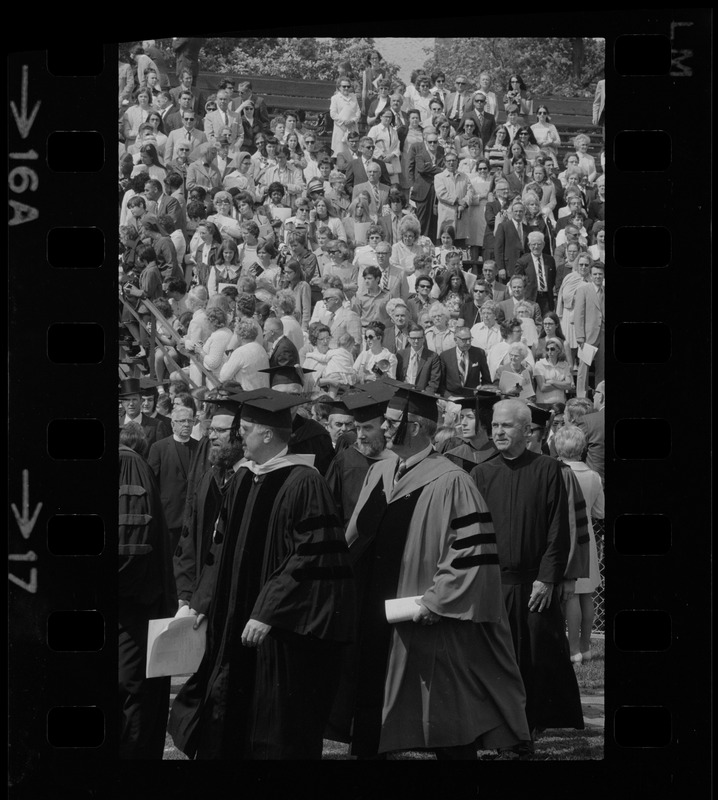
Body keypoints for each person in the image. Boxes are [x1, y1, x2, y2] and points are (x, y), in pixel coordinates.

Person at [330, 381, 531, 759]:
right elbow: (354, 538)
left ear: (418, 426)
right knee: (371, 713)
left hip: (424, 620)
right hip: (373, 618)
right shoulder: (381, 472)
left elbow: (470, 554)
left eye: (392, 421)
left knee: (445, 720)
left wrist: (435, 603)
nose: (384, 427)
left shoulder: (452, 480)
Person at [168, 389, 355, 760]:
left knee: (273, 725)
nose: (240, 437)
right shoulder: (242, 478)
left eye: (247, 429)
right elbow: (218, 545)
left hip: (276, 633)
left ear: (268, 434)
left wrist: (266, 610)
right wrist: (202, 601)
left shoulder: (305, 482)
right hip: (234, 624)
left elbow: (310, 559)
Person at [470, 399, 584, 747]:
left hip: (536, 585)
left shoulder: (550, 470)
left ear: (526, 430)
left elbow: (557, 531)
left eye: (507, 426)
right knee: (494, 660)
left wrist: (548, 578)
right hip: (495, 584)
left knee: (536, 659)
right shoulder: (481, 474)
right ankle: (495, 729)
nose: (499, 432)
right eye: (495, 426)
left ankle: (530, 728)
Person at [119, 426, 176, 759]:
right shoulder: (138, 465)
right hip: (142, 601)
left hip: (130, 604)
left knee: (131, 690)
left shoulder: (129, 465)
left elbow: (130, 541)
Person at [553, 425, 604, 663]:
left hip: (566, 537)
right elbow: (600, 512)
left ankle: (573, 650)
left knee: (571, 596)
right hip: (588, 538)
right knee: (587, 596)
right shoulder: (594, 476)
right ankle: (586, 648)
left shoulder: (556, 471)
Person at [147, 404, 199, 557]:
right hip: (169, 516)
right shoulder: (159, 448)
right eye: (182, 421)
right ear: (172, 423)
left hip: (192, 516)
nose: (187, 424)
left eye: (190, 421)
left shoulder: (200, 447)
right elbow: (152, 483)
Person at [573, 261, 605, 398]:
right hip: (587, 336)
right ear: (591, 276)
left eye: (600, 274)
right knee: (583, 369)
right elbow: (579, 314)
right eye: (595, 274)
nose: (598, 276)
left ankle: (600, 397)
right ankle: (581, 397)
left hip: (603, 335)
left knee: (601, 369)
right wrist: (580, 336)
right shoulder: (583, 290)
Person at [407, 128, 445, 240]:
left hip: (436, 191)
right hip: (422, 191)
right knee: (422, 220)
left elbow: (445, 166)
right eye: (430, 142)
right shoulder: (420, 154)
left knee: (434, 222)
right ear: (426, 141)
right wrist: (439, 169)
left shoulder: (441, 151)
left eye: (435, 142)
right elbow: (422, 168)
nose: (433, 144)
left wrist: (432, 168)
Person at [438, 325, 492, 398]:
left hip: (472, 398)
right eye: (464, 340)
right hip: (452, 398)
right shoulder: (445, 356)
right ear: (455, 340)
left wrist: (481, 391)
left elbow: (486, 380)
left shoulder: (479, 353)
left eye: (470, 339)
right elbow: (440, 384)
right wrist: (449, 397)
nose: (468, 342)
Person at [514, 231, 557, 314]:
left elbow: (553, 279)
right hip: (530, 298)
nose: (536, 247)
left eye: (539, 244)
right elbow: (517, 281)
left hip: (547, 298)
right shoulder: (522, 261)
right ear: (529, 245)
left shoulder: (550, 260)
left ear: (543, 245)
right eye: (533, 244)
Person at [119, 377, 171, 446]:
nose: (131, 404)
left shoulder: (156, 426)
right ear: (122, 403)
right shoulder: (119, 423)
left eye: (134, 399)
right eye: (127, 400)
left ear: (141, 401)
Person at [395, 323, 441, 392]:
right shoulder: (400, 355)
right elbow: (396, 376)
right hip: (402, 392)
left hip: (422, 395)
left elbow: (434, 381)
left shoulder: (433, 357)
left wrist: (425, 394)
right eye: (413, 338)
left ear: (424, 338)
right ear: (408, 338)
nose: (416, 341)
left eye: (419, 338)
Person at [534, 338, 573, 404]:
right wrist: (562, 384)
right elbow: (543, 387)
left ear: (558, 350)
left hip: (560, 404)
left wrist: (552, 382)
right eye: (547, 349)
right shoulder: (540, 364)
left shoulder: (565, 364)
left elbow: (569, 386)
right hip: (543, 405)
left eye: (552, 349)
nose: (549, 352)